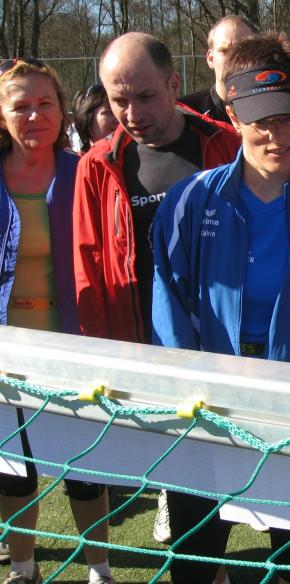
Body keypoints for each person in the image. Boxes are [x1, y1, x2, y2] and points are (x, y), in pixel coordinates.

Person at [152, 33, 290, 584]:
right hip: (206, 413)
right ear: (233, 114)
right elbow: (169, 312)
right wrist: (193, 398)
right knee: (195, 563)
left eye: (288, 118)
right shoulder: (188, 203)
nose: (277, 135)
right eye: (261, 121)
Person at [0, 58, 115, 584]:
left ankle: (99, 571)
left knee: (84, 473)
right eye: (20, 106)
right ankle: (25, 569)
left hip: (74, 349)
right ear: (2, 115)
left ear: (62, 109)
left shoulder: (85, 173)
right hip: (8, 356)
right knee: (13, 475)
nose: (34, 115)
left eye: (44, 103)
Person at [73, 32, 240, 345]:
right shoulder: (97, 167)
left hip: (218, 342)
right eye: (119, 101)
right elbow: (89, 271)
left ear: (174, 84)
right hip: (135, 345)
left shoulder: (227, 145)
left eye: (145, 97)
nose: (133, 115)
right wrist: (99, 351)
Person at [179, 15, 256, 123]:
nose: (233, 57)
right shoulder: (185, 114)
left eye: (243, 49)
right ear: (211, 58)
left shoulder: (274, 110)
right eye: (224, 51)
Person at [71, 83, 118, 153]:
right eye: (109, 112)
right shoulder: (74, 159)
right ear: (86, 119)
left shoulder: (133, 156)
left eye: (118, 111)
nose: (117, 119)